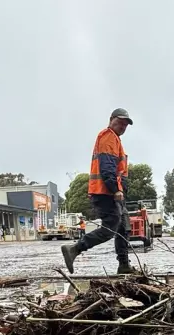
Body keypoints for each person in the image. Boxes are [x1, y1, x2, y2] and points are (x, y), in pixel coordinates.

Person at [61, 108, 134, 274]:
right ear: (111, 119)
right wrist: (115, 190)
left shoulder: (115, 139)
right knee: (110, 228)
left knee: (123, 228)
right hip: (105, 193)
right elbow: (107, 167)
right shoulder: (108, 136)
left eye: (125, 124)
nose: (123, 126)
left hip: (113, 194)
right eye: (120, 122)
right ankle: (75, 248)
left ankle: (124, 265)